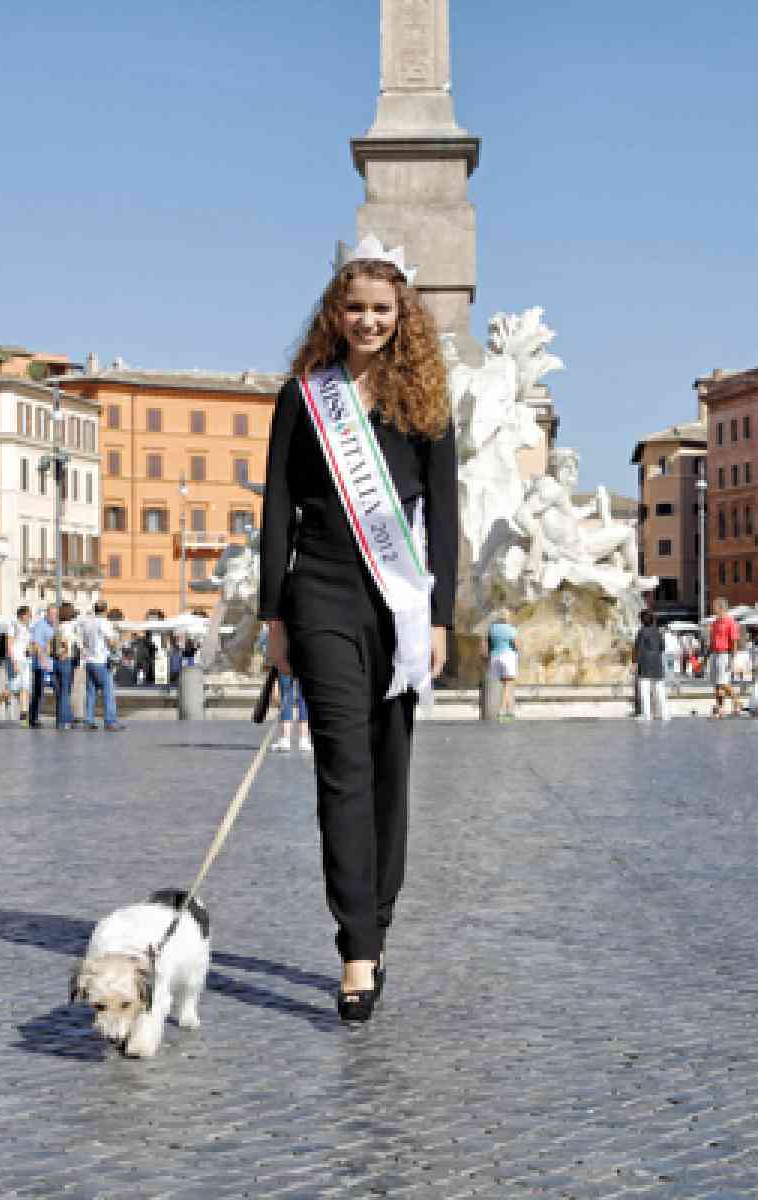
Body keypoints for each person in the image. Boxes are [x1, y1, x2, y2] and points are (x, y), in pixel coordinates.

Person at [258, 237, 457, 1023]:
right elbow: (276, 506)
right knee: (341, 766)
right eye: (355, 307)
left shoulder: (426, 403)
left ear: (401, 314)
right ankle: (356, 950)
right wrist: (274, 614)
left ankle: (378, 917)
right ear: (334, 314)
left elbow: (445, 511)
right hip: (323, 593)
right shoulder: (304, 396)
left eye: (382, 308)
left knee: (389, 770)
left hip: (400, 600)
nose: (368, 320)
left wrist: (442, 617)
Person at [76, 600, 123, 731]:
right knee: (108, 691)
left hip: (89, 661)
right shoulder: (104, 623)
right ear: (105, 610)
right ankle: (110, 721)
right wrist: (116, 644)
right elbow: (112, 641)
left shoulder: (87, 623)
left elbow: (84, 642)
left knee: (91, 692)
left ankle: (89, 720)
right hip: (101, 661)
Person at [706, 597, 741, 717]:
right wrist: (707, 656)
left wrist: (732, 658)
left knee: (723, 682)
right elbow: (712, 641)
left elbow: (734, 641)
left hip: (724, 654)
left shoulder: (730, 622)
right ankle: (720, 707)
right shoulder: (715, 622)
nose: (713, 608)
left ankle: (737, 700)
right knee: (716, 683)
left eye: (714, 606)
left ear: (721, 607)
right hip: (714, 654)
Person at [632, 610, 669, 721]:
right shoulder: (657, 631)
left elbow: (638, 649)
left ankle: (647, 714)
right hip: (657, 662)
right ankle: (664, 713)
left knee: (644, 690)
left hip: (645, 663)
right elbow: (662, 647)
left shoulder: (642, 632)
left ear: (642, 620)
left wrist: (635, 663)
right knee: (660, 689)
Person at [487, 608, 520, 721]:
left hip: (495, 657)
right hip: (507, 657)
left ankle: (510, 712)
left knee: (505, 685)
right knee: (508, 686)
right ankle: (501, 712)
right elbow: (516, 645)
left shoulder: (492, 629)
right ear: (507, 617)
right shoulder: (511, 629)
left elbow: (489, 645)